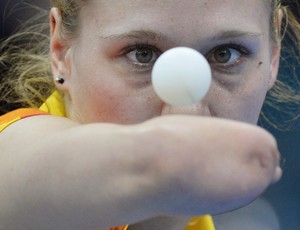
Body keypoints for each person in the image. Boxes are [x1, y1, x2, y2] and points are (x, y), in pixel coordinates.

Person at [0, 0, 299, 229]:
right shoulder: (17, 151)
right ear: (61, 51)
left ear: (272, 55)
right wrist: (162, 161)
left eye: (226, 54)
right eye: (142, 54)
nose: (186, 110)